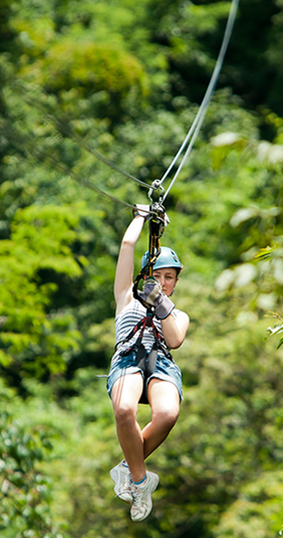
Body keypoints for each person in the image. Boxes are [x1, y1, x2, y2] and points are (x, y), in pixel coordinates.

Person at [105, 204, 190, 521]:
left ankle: (128, 466)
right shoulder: (126, 297)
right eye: (157, 276)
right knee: (125, 410)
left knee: (168, 413)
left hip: (161, 363)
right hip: (129, 358)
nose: (164, 281)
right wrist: (140, 218)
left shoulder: (178, 314)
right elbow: (127, 246)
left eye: (169, 277)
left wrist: (161, 304)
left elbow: (175, 340)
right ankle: (140, 481)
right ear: (144, 277)